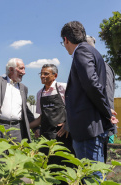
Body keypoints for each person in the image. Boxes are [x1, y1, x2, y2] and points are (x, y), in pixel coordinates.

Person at [60, 21, 118, 180]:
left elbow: (92, 85)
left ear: (66, 40)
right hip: (93, 126)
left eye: (63, 43)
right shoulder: (93, 52)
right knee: (95, 175)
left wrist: (106, 111)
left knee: (91, 177)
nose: (64, 46)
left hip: (87, 128)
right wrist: (106, 109)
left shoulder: (81, 51)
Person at [30, 64, 74, 185]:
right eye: (41, 73)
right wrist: (27, 126)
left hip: (62, 136)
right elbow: (41, 117)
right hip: (46, 137)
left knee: (63, 170)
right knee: (49, 170)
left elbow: (73, 107)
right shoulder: (40, 93)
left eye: (46, 74)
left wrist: (67, 124)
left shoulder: (62, 88)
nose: (42, 76)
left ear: (55, 76)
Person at [86, 35, 117, 162]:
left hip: (99, 126)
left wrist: (108, 119)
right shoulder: (96, 66)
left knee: (95, 168)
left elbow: (107, 94)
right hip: (96, 125)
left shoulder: (100, 67)